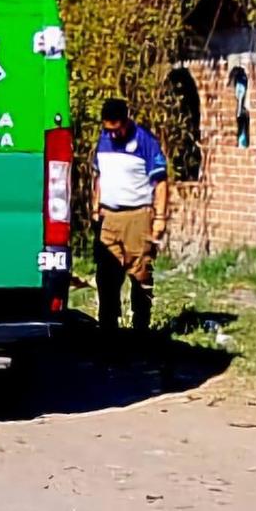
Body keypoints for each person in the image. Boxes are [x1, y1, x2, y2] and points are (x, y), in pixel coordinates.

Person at [91, 98, 169, 334]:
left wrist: (160, 218)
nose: (113, 135)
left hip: (138, 216)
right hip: (109, 218)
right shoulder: (103, 141)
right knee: (106, 276)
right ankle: (108, 329)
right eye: (108, 130)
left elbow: (161, 182)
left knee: (140, 274)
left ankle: (140, 328)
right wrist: (95, 207)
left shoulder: (146, 142)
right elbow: (98, 177)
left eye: (117, 129)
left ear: (126, 121)